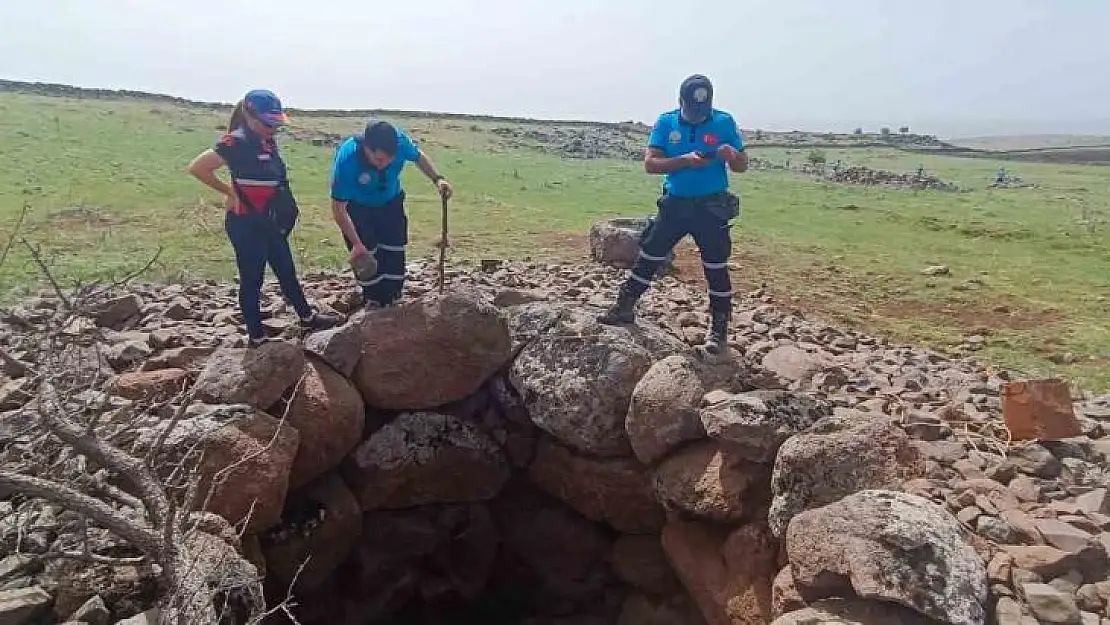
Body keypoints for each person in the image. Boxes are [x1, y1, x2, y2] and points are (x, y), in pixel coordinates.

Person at [598, 74, 748, 356]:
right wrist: (684, 162)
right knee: (650, 256)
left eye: (702, 112)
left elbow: (742, 166)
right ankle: (625, 306)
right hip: (676, 204)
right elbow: (651, 164)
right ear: (680, 102)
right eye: (691, 111)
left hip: (712, 207)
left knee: (716, 267)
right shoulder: (666, 123)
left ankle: (719, 330)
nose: (696, 116)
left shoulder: (724, 122)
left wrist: (732, 157)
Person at [187, 89, 341, 346]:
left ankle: (306, 317)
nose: (273, 128)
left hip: (269, 220)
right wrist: (229, 192)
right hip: (245, 223)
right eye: (268, 123)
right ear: (249, 115)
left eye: (276, 123)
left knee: (286, 271)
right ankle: (256, 336)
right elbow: (198, 167)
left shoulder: (266, 142)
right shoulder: (235, 142)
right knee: (252, 278)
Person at [329, 119, 454, 308]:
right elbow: (338, 209)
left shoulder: (400, 142)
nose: (384, 164)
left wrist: (438, 179)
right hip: (358, 208)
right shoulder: (347, 161)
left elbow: (418, 157)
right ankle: (372, 301)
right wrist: (356, 244)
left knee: (394, 251)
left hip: (390, 202)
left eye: (390, 158)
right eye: (379, 159)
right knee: (367, 257)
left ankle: (394, 298)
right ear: (366, 147)